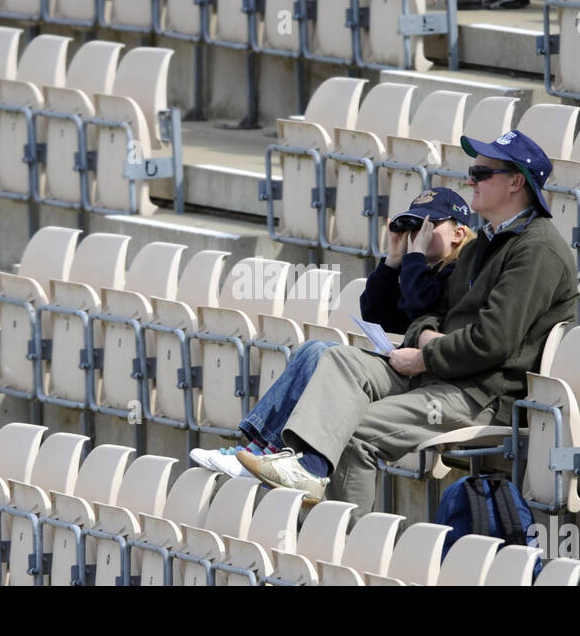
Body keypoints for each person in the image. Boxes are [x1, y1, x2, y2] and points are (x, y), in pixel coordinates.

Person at [235, 129, 578, 512]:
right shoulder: (485, 243)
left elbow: (492, 341)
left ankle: (345, 549)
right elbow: (429, 312)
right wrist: (425, 337)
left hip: (480, 394)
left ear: (516, 182)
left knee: (355, 433)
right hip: (444, 373)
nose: (470, 180)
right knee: (337, 359)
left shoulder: (538, 250)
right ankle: (310, 469)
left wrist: (425, 355)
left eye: (482, 173)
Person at [190, 188, 477, 478]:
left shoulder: (461, 273)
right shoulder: (424, 270)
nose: (420, 233)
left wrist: (413, 257)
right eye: (416, 226)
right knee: (315, 349)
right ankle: (260, 449)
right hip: (408, 366)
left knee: (330, 356)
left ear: (458, 233)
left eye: (431, 225)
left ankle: (270, 455)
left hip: (432, 379)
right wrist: (393, 259)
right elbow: (378, 314)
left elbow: (421, 304)